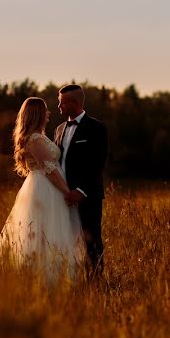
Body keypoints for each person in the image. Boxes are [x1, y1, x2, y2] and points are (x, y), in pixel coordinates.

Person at [0, 97, 84, 284]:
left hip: (49, 186)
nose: (49, 113)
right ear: (37, 114)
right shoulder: (34, 139)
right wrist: (67, 191)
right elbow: (49, 169)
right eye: (45, 110)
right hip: (45, 187)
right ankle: (44, 278)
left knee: (52, 229)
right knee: (44, 230)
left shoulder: (40, 136)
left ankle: (56, 274)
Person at [54, 84, 108, 280]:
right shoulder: (59, 129)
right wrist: (63, 191)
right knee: (66, 238)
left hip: (88, 195)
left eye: (62, 103)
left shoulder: (96, 128)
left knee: (91, 239)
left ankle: (95, 281)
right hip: (63, 196)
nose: (58, 107)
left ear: (75, 103)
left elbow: (97, 163)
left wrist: (81, 190)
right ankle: (72, 278)